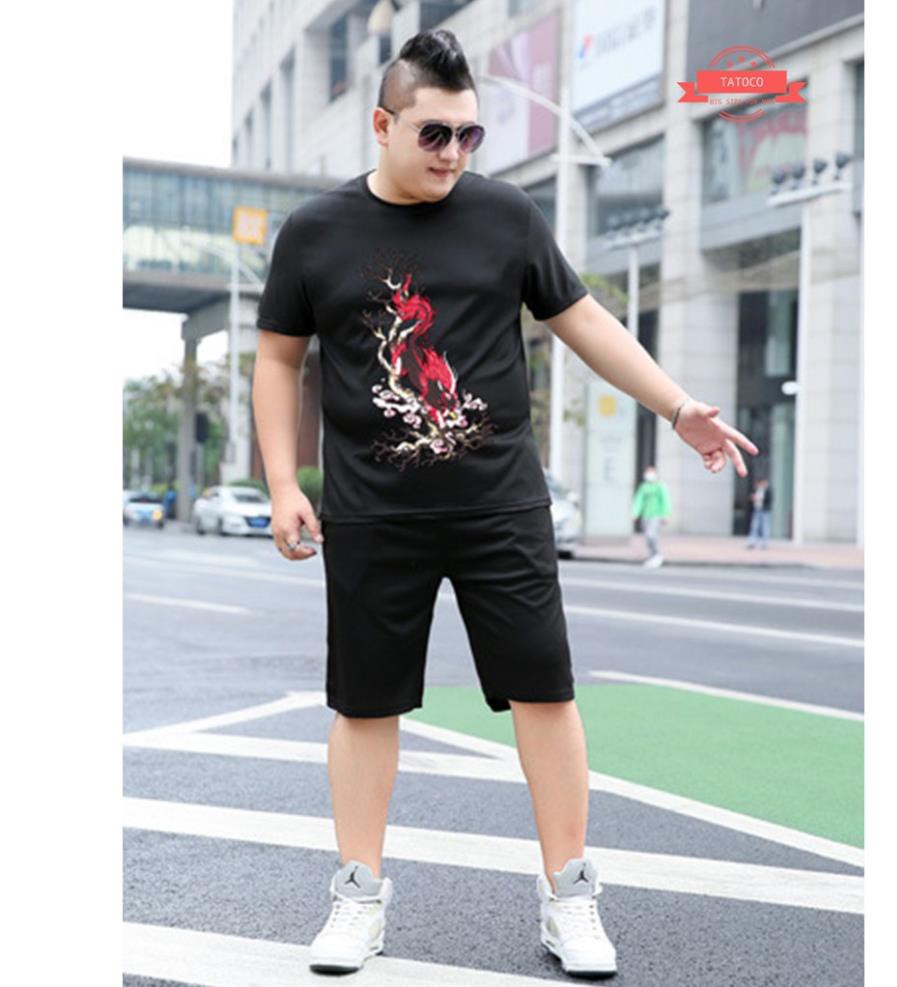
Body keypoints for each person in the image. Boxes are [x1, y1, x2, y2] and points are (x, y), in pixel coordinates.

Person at [251, 28, 758, 980]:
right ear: (382, 125)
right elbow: (278, 359)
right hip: (373, 512)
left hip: (500, 509)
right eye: (433, 134)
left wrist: (677, 405)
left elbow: (583, 320)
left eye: (469, 135)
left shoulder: (506, 216)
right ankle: (357, 893)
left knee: (546, 693)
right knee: (365, 705)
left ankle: (569, 895)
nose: (453, 153)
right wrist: (285, 482)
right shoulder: (316, 232)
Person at [631, 465, 671, 567]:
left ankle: (657, 555)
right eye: (647, 472)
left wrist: (666, 514)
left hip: (656, 515)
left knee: (651, 535)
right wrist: (635, 513)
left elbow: (665, 501)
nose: (649, 475)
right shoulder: (644, 487)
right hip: (645, 516)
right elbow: (638, 501)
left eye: (651, 472)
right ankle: (652, 556)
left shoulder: (660, 486)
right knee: (648, 538)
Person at [746, 477, 773, 549]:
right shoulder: (755, 490)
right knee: (754, 527)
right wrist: (753, 498)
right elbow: (751, 497)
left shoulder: (768, 490)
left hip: (765, 511)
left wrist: (760, 498)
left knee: (765, 527)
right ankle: (752, 542)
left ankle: (765, 543)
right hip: (757, 510)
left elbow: (769, 499)